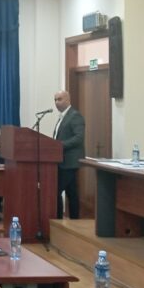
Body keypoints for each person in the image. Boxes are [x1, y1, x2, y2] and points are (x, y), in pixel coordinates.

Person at [52, 90, 86, 219]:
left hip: (70, 161)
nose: (56, 102)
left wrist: (59, 145)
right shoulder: (62, 117)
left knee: (56, 191)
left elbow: (78, 138)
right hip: (61, 160)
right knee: (72, 192)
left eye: (59, 99)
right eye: (55, 99)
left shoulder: (75, 116)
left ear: (67, 99)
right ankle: (75, 220)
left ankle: (58, 220)